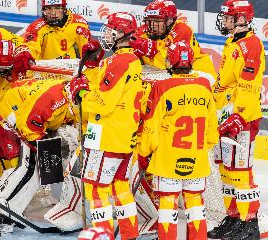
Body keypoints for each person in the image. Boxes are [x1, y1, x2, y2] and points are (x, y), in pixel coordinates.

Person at [69, 12, 144, 240]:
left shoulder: (119, 61)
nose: (108, 34)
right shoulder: (131, 60)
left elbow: (103, 102)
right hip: (123, 136)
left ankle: (102, 236)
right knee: (120, 187)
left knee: (96, 189)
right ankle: (129, 235)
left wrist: (80, 91)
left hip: (105, 137)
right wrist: (91, 68)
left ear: (123, 34)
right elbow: (108, 91)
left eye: (112, 29)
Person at [137, 41, 218, 240]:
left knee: (167, 206)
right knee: (196, 205)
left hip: (167, 161)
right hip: (196, 160)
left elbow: (150, 127)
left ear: (170, 61)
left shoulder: (162, 87)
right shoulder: (204, 86)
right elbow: (212, 132)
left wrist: (144, 151)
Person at [208, 1, 265, 239]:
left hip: (242, 117)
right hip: (226, 113)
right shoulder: (233, 41)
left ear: (241, 18)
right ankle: (233, 217)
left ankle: (249, 222)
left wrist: (239, 116)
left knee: (241, 171)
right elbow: (225, 82)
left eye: (229, 17)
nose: (225, 21)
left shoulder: (251, 44)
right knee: (227, 171)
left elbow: (249, 87)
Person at [0, 79, 77, 221]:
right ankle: (4, 207)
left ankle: (9, 198)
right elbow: (29, 126)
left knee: (43, 157)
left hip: (32, 109)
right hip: (14, 108)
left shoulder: (71, 97)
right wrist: (43, 146)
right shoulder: (55, 99)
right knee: (28, 165)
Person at [130, 0, 217, 78]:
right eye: (149, 20)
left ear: (169, 21)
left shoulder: (182, 30)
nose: (152, 26)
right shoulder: (146, 30)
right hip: (169, 74)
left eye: (157, 21)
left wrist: (148, 49)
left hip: (197, 72)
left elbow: (172, 63)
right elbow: (128, 44)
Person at [13, 0, 91, 75]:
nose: (53, 13)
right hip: (45, 73)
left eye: (57, 8)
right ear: (43, 10)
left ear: (64, 9)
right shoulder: (36, 28)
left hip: (70, 70)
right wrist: (24, 52)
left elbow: (87, 52)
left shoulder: (79, 23)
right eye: (49, 8)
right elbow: (30, 46)